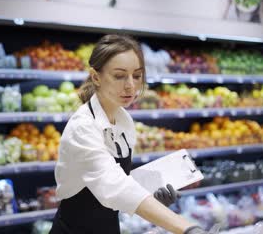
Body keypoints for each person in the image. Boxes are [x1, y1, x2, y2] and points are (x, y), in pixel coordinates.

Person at [50, 34, 219, 234]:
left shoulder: (124, 121)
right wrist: (187, 228)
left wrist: (149, 194)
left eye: (137, 76)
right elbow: (113, 185)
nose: (130, 85)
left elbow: (118, 186)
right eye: (120, 76)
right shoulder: (83, 127)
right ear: (96, 77)